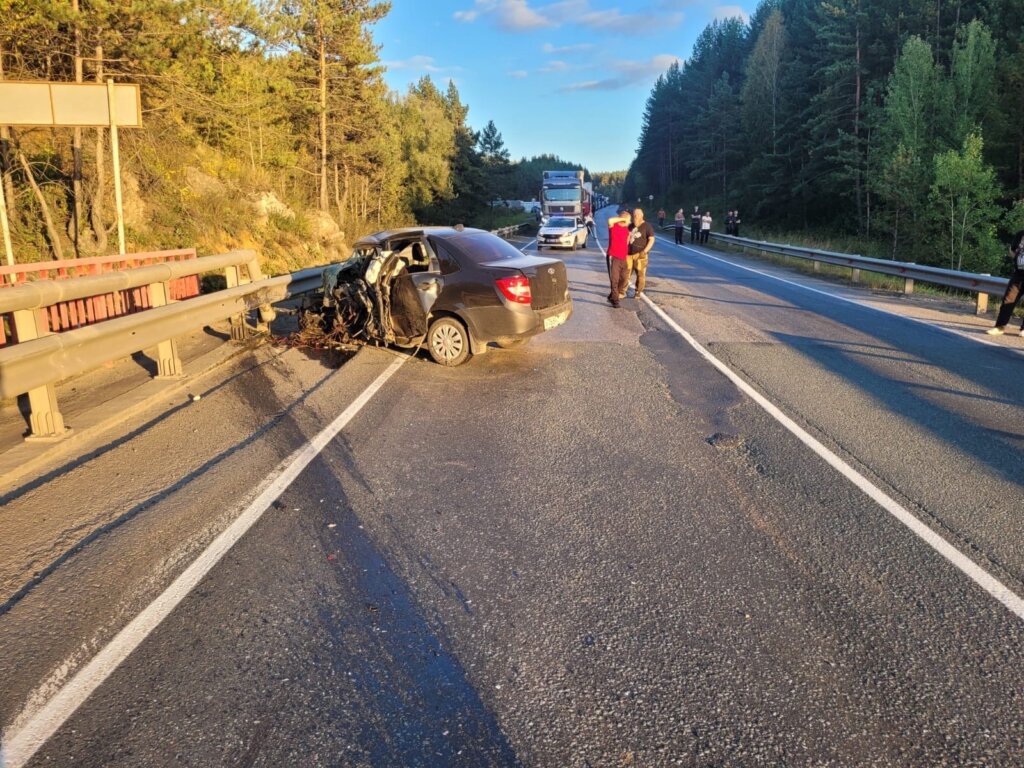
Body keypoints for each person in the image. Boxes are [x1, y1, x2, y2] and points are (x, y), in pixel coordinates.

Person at [986, 228, 1024, 336]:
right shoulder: (1020, 234)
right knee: (1008, 300)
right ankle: (999, 327)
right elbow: (1011, 250)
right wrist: (1016, 257)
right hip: (1018, 274)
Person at [625, 207, 656, 299]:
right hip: (629, 254)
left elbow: (651, 240)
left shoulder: (647, 226)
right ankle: (623, 290)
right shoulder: (630, 226)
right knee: (626, 273)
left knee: (640, 275)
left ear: (642, 215)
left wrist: (645, 251)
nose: (635, 216)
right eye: (634, 215)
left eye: (637, 215)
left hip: (641, 254)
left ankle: (638, 292)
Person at [606, 207, 632, 308]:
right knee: (615, 279)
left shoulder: (626, 229)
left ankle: (612, 295)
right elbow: (610, 220)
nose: (629, 222)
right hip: (615, 257)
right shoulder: (614, 226)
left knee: (624, 279)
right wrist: (623, 219)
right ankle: (615, 301)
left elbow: (626, 242)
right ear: (623, 219)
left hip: (624, 258)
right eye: (628, 220)